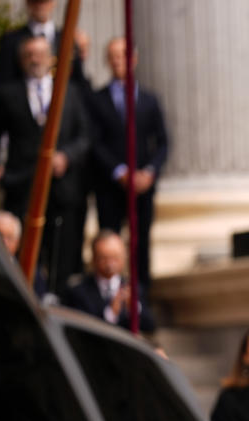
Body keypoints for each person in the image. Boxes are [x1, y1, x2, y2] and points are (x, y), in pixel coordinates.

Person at [0, 34, 90, 295]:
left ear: (51, 57)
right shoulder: (8, 94)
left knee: (62, 253)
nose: (35, 59)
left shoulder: (69, 91)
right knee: (25, 252)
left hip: (62, 188)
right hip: (23, 185)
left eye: (40, 53)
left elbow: (84, 135)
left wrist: (66, 156)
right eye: (29, 54)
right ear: (21, 60)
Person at [91, 37, 169, 289]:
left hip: (142, 187)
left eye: (123, 55)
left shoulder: (149, 99)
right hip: (111, 186)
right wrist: (119, 171)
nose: (118, 61)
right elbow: (95, 142)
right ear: (107, 61)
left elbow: (163, 142)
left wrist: (149, 172)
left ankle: (141, 300)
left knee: (141, 244)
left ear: (133, 59)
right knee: (109, 241)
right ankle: (109, 296)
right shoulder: (97, 100)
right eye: (113, 55)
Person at [64, 230, 155, 333]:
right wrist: (111, 313)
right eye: (104, 258)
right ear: (94, 259)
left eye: (115, 258)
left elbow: (150, 326)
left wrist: (134, 308)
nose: (110, 264)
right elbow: (80, 330)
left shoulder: (133, 288)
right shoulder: (79, 292)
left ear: (124, 258)